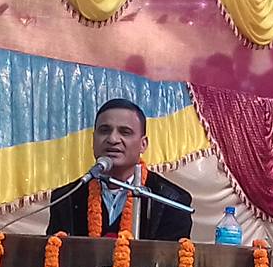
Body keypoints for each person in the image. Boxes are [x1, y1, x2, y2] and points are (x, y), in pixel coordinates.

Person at [46, 98, 192, 241]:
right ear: (93, 140)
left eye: (125, 132)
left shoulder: (172, 201)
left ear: (143, 144)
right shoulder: (65, 199)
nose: (113, 139)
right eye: (104, 131)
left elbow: (168, 256)